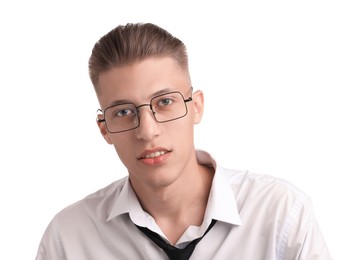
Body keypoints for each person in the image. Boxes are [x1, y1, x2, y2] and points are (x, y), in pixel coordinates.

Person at [35, 23, 332, 260]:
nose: (147, 131)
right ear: (105, 129)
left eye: (164, 102)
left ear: (196, 106)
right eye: (123, 112)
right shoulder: (69, 238)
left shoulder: (280, 214)